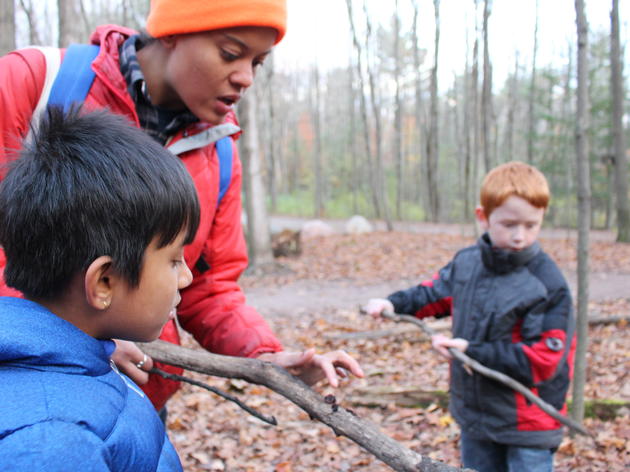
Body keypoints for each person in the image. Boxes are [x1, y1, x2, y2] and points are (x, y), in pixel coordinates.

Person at [0, 0, 363, 414]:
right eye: (231, 53)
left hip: (137, 399)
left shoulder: (220, 153)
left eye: (258, 63)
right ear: (171, 32)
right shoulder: (37, 82)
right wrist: (76, 336)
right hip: (23, 395)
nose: (245, 78)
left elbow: (208, 286)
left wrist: (264, 356)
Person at [0, 107, 197, 470]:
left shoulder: (84, 364)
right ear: (104, 282)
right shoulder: (51, 444)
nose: (186, 277)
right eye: (173, 259)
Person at [364, 161, 575, 472]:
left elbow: (544, 359)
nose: (520, 236)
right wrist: (392, 304)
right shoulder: (467, 264)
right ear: (484, 217)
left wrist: (473, 351)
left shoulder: (547, 284)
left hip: (529, 424)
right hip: (475, 415)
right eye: (509, 224)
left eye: (531, 226)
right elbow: (433, 295)